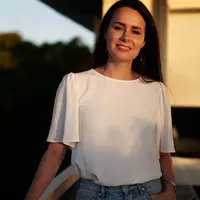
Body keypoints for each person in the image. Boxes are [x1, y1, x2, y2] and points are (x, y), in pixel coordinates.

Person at [25, 0, 176, 199]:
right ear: (106, 32)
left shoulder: (157, 91)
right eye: (118, 27)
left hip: (148, 193)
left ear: (144, 41)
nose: (125, 37)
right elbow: (55, 151)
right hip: (93, 194)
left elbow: (163, 154)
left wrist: (171, 191)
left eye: (135, 31)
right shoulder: (75, 84)